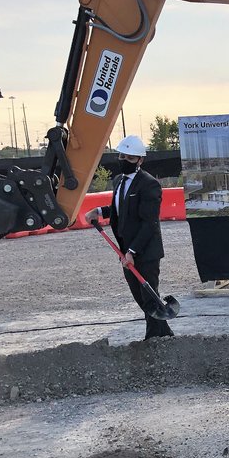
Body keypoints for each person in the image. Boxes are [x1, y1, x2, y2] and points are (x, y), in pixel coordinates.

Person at [84, 135, 173, 339]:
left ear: (140, 160)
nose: (124, 160)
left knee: (149, 296)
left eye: (130, 158)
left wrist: (133, 251)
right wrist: (98, 211)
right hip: (126, 251)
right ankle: (165, 333)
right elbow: (120, 208)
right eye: (122, 155)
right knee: (140, 296)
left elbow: (149, 222)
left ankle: (153, 338)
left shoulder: (149, 185)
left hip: (145, 251)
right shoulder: (119, 180)